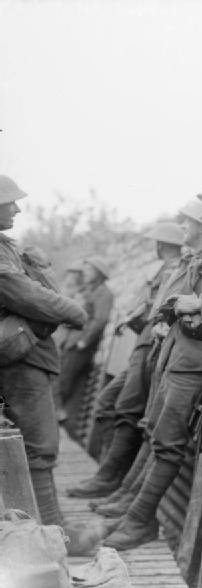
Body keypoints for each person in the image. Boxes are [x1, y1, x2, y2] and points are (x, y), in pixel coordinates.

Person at [104, 184, 202, 550]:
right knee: (157, 436)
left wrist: (199, 304)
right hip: (174, 356)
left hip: (195, 365)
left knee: (169, 444)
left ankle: (139, 522)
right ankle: (134, 512)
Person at [90, 201, 202, 517]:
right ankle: (120, 488)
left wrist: (154, 318)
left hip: (162, 350)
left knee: (137, 415)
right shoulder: (181, 265)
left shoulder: (184, 266)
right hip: (158, 349)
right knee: (141, 420)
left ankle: (118, 487)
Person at [68, 221, 185, 498]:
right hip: (140, 345)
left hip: (148, 347)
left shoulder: (173, 268)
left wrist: (138, 315)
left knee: (127, 407)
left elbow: (160, 309)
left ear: (160, 245)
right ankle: (108, 474)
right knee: (109, 402)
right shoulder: (165, 270)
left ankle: (110, 478)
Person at [0, 175, 88, 524]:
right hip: (20, 361)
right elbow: (27, 294)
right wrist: (74, 312)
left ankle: (41, 532)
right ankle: (55, 535)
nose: (17, 208)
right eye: (10, 201)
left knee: (30, 446)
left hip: (23, 354)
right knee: (40, 448)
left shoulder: (9, 246)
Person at [58, 255, 114, 437]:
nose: (86, 273)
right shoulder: (89, 290)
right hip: (71, 342)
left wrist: (84, 341)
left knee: (63, 381)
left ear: (98, 274)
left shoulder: (104, 293)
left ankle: (59, 417)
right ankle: (63, 421)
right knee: (63, 381)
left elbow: (100, 320)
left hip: (80, 346)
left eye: (90, 270)